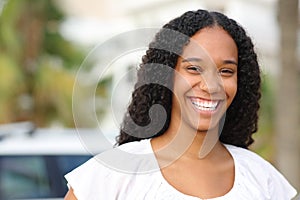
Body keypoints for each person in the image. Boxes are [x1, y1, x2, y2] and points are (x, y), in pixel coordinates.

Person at [64, 9, 297, 199]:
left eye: (226, 71)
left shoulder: (262, 179)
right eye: (194, 68)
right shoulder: (113, 175)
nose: (210, 85)